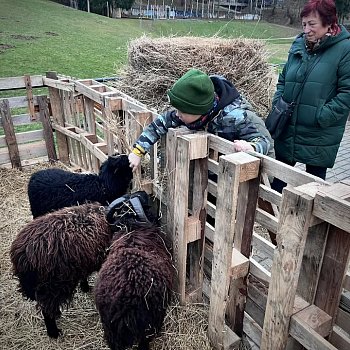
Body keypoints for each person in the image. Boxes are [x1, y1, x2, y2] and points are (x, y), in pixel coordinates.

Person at [270, 0, 350, 193]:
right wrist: (278, 101)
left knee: (312, 190)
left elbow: (347, 93)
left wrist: (322, 115)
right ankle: (272, 220)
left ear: (329, 23)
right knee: (276, 183)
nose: (306, 29)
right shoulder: (299, 45)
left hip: (318, 133)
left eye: (312, 24)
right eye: (304, 24)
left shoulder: (344, 49)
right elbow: (283, 79)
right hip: (287, 126)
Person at [128, 68, 273, 171]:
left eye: (182, 111)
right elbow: (160, 123)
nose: (177, 115)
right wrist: (138, 152)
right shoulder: (190, 116)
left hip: (246, 177)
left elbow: (265, 141)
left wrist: (252, 147)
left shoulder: (238, 117)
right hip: (213, 170)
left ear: (199, 110)